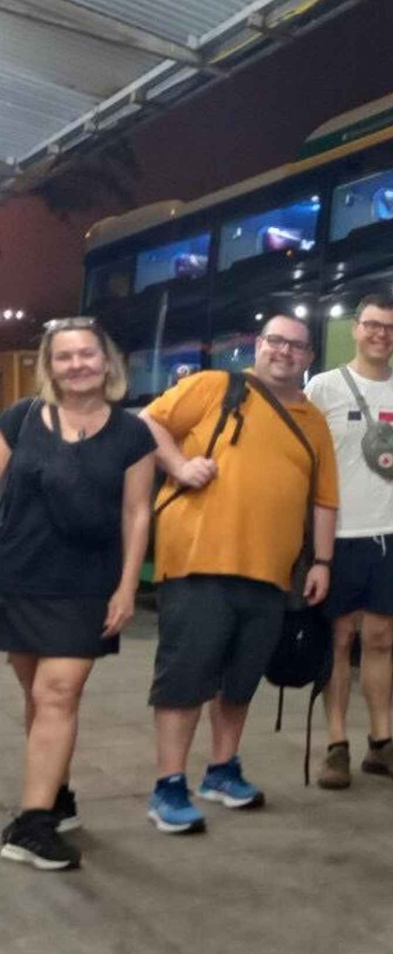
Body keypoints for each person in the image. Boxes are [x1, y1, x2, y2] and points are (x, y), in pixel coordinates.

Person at [140, 313, 338, 834]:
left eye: (296, 346)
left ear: (309, 357)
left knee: (241, 681)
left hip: (271, 573)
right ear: (258, 345)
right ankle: (168, 785)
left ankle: (222, 770)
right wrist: (179, 466)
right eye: (275, 341)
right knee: (185, 678)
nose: (284, 351)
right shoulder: (214, 386)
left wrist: (321, 561)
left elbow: (324, 499)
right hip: (198, 562)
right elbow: (149, 423)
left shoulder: (314, 420)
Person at [0, 319, 155, 870]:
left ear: (107, 361)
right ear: (50, 366)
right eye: (64, 357)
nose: (77, 365)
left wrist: (128, 586)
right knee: (38, 697)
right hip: (19, 575)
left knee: (59, 692)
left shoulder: (133, 434)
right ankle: (57, 794)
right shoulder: (20, 419)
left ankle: (32, 826)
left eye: (86, 354)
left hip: (87, 583)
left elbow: (137, 513)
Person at [306, 295, 393, 789]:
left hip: (389, 536)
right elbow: (306, 457)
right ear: (355, 329)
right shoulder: (323, 387)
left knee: (381, 639)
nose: (382, 334)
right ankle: (336, 745)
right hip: (337, 536)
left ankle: (381, 743)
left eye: (391, 327)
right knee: (339, 639)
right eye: (373, 325)